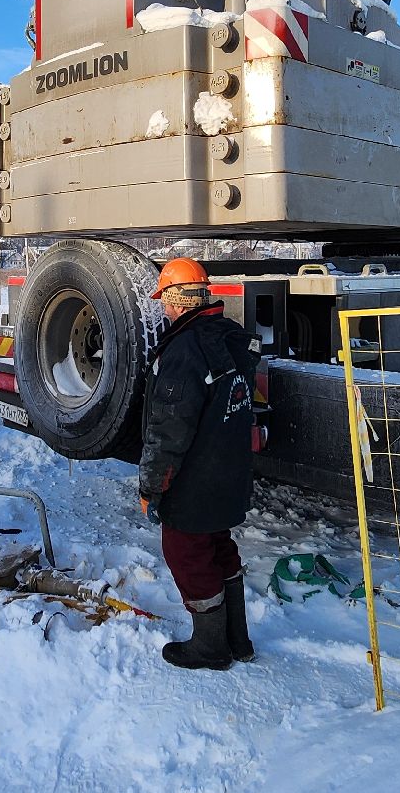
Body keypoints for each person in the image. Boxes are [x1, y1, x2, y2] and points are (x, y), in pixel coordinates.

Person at [137, 257, 260, 670]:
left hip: (195, 480)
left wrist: (151, 485)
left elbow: (169, 429)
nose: (165, 311)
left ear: (175, 300)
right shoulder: (228, 339)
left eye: (165, 302)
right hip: (228, 473)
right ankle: (236, 639)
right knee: (218, 545)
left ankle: (210, 646)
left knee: (186, 550)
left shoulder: (184, 350)